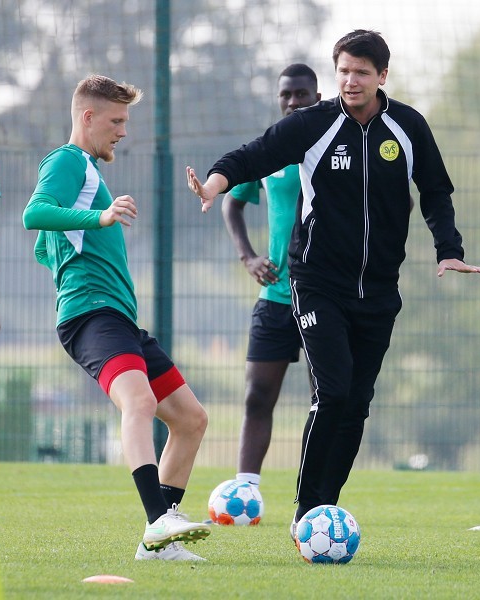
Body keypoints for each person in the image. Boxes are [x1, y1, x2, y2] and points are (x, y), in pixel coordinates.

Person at [187, 30, 480, 540]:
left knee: (357, 404)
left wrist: (449, 250)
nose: (351, 81)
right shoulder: (315, 124)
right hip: (316, 280)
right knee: (333, 390)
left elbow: (435, 190)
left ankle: (325, 506)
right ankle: (307, 513)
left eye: (362, 73)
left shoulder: (408, 126)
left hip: (379, 290)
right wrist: (215, 184)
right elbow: (255, 154)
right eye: (344, 71)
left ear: (382, 77)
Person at [23, 74, 211, 561]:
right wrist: (98, 220)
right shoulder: (67, 161)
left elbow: (46, 246)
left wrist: (70, 247)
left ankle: (158, 545)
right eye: (117, 120)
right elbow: (35, 213)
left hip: (118, 318)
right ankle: (158, 520)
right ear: (87, 117)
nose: (123, 131)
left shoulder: (89, 172)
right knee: (140, 402)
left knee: (190, 419)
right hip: (92, 314)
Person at [221, 63, 320, 494]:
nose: (293, 101)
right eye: (287, 95)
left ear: (318, 96)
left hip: (326, 297)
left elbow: (393, 202)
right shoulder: (271, 149)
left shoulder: (336, 144)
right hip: (276, 297)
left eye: (302, 94)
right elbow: (232, 201)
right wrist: (248, 257)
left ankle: (315, 493)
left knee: (328, 401)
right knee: (257, 396)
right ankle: (246, 489)